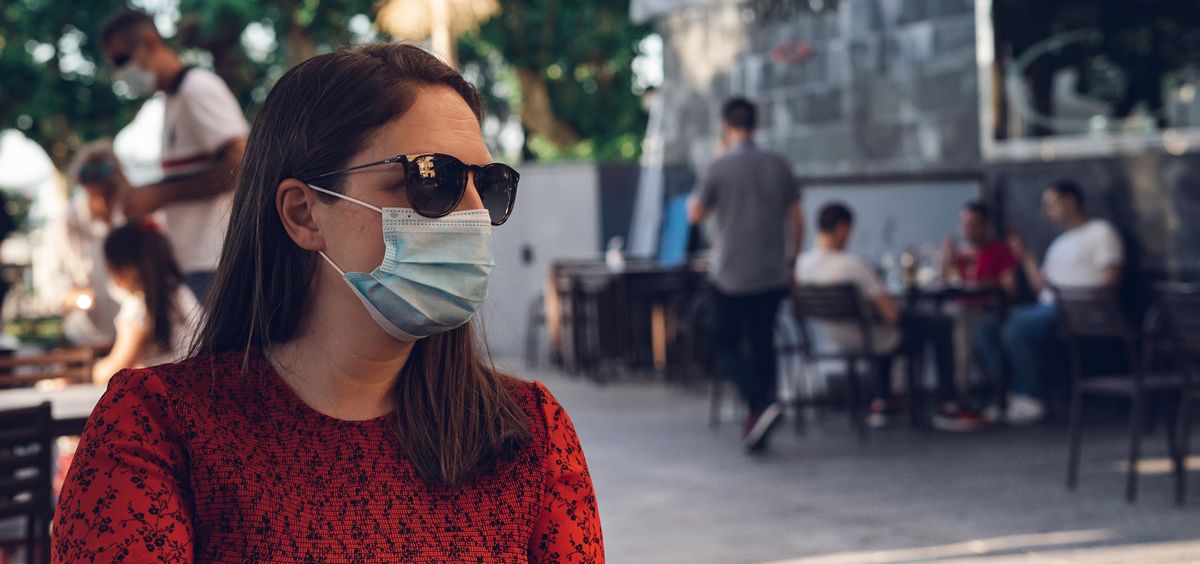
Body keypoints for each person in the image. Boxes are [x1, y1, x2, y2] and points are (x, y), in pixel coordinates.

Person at [54, 43, 602, 562]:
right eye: (432, 179)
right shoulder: (155, 430)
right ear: (303, 214)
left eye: (489, 184)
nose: (475, 213)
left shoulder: (530, 433)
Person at [101, 9, 249, 302]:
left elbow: (242, 165)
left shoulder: (197, 90)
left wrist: (160, 195)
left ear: (150, 42)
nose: (119, 72)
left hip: (217, 262)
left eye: (121, 60)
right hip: (197, 264)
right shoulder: (173, 99)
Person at [797, 203, 982, 431]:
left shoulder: (802, 265)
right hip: (869, 337)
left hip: (833, 337)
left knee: (885, 326)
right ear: (843, 227)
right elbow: (891, 314)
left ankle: (883, 398)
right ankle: (948, 404)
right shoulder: (852, 265)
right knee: (937, 326)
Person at [688, 97, 805, 453]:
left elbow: (694, 214)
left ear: (726, 126)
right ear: (756, 125)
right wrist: (792, 262)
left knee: (723, 345)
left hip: (730, 274)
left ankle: (761, 402)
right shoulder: (779, 164)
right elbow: (797, 219)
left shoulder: (717, 166)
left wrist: (717, 155)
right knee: (762, 344)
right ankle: (760, 417)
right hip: (772, 272)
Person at [975, 180, 1124, 425]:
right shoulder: (1059, 243)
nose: (1046, 212)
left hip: (1082, 310)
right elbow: (1041, 287)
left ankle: (1029, 397)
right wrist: (1026, 256)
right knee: (987, 327)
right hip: (1048, 307)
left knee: (1017, 327)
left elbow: (1111, 281)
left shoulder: (1101, 232)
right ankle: (1008, 393)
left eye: (1051, 204)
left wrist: (1072, 297)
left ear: (1070, 201)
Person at [90, 221, 201, 385]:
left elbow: (113, 371)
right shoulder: (182, 293)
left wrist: (95, 369)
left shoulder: (138, 306)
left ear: (126, 270)